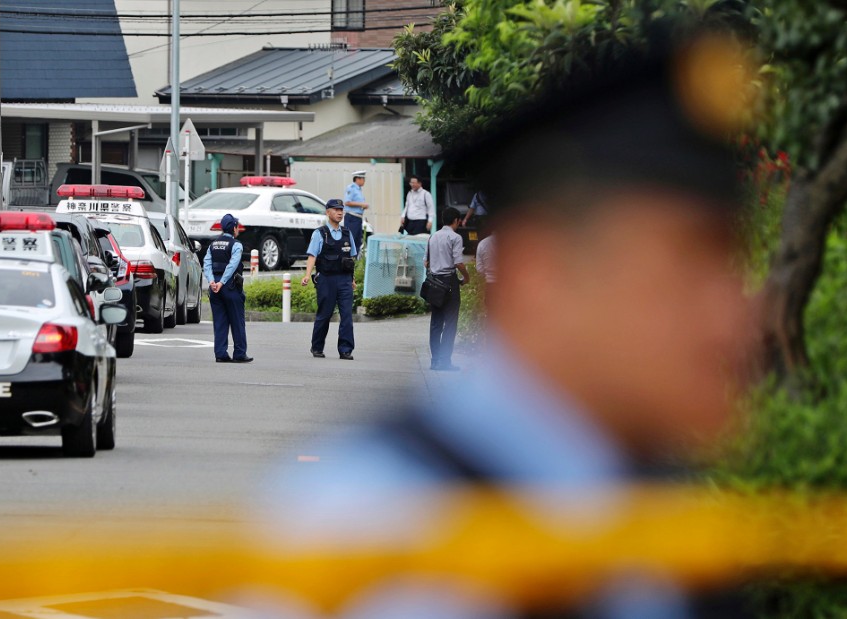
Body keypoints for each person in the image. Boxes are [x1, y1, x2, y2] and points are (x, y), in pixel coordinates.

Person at [266, 32, 758, 618]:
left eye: (736, 264)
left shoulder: (666, 518)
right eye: (687, 265)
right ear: (538, 276)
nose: (737, 315)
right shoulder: (383, 534)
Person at [301, 199, 359, 360]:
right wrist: (307, 275)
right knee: (324, 315)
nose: (340, 212)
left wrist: (352, 279)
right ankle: (317, 347)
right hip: (326, 279)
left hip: (344, 280)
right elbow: (312, 255)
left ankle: (345, 349)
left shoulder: (347, 233)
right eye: (336, 210)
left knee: (346, 315)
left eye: (341, 210)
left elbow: (350, 258)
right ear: (328, 212)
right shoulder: (320, 233)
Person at [424, 209, 469, 371]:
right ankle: (445, 361)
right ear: (456, 220)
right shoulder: (455, 237)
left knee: (436, 323)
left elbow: (426, 263)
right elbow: (458, 263)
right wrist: (466, 276)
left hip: (435, 283)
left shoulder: (433, 237)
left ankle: (435, 361)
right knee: (450, 324)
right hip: (450, 282)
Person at [203, 214, 252, 363]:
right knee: (237, 320)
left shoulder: (213, 245)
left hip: (215, 287)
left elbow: (207, 264)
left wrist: (212, 281)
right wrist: (222, 282)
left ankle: (220, 353)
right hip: (229, 286)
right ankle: (239, 353)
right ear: (234, 228)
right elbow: (232, 265)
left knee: (219, 321)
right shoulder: (236, 245)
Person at [342, 171, 369, 254]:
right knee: (351, 240)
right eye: (363, 179)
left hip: (358, 218)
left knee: (357, 241)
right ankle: (348, 260)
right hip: (352, 217)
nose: (364, 181)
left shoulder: (359, 190)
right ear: (357, 179)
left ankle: (355, 261)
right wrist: (362, 204)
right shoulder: (351, 188)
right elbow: (347, 202)